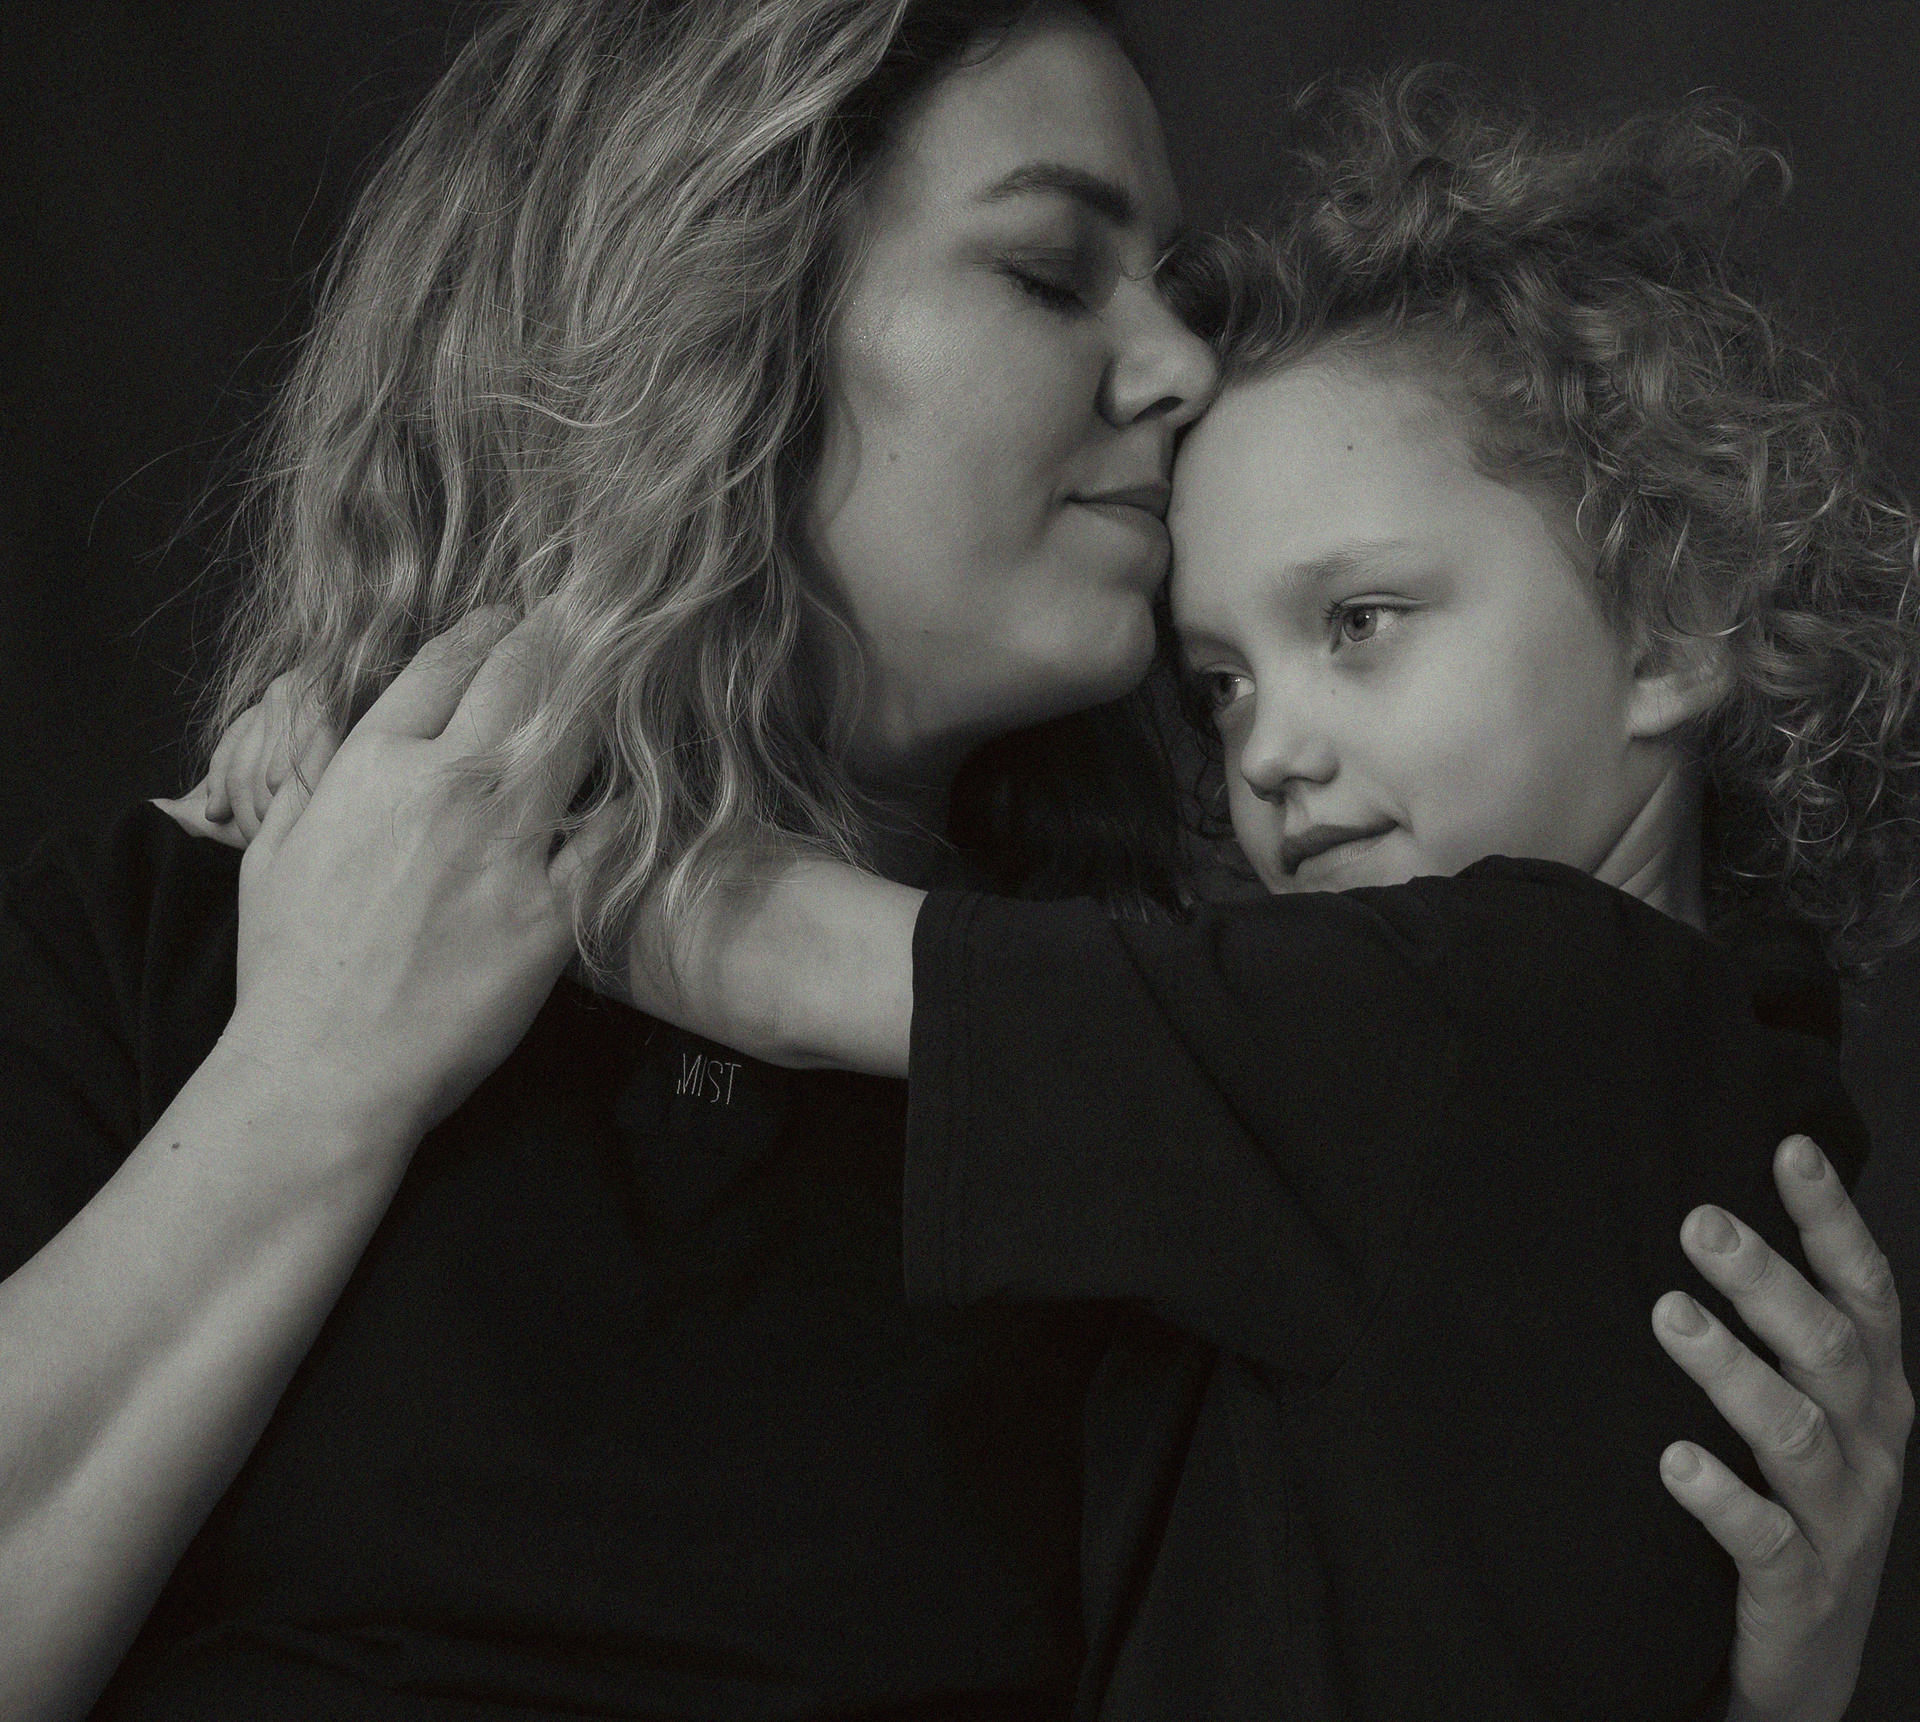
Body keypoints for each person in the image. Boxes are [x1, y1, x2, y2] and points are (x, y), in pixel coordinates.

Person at [0, 3, 1901, 1719]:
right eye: (1052, 272)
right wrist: (312, 1065)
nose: (1180, 362)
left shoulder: (1191, 1098)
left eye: (1174, 290)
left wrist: (1761, 1689)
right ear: (716, 316)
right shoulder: (185, 936)